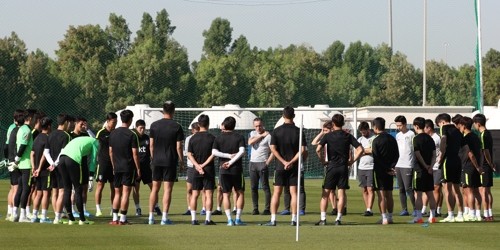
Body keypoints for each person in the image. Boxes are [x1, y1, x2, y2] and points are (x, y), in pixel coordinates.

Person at [262, 106, 307, 226]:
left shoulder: (276, 131)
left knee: (277, 192)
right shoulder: (299, 131)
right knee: (294, 193)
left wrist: (283, 162)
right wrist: (291, 162)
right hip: (294, 166)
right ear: (294, 116)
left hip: (280, 167)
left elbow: (273, 149)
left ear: (283, 116)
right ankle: (294, 219)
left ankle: (273, 220)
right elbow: (302, 150)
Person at [315, 114, 363, 225]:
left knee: (325, 193)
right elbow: (360, 149)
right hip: (343, 167)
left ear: (333, 123)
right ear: (343, 123)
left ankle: (323, 219)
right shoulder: (348, 135)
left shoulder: (328, 136)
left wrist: (323, 161)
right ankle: (338, 219)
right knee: (341, 193)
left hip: (332, 166)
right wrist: (352, 161)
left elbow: (318, 149)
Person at [148, 101, 184, 225]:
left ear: (163, 110)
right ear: (173, 111)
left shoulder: (154, 125)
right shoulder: (177, 126)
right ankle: (164, 217)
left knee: (154, 189)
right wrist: (181, 161)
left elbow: (151, 145)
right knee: (167, 189)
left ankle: (151, 217)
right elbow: (179, 147)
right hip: (170, 160)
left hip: (157, 161)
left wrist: (153, 158)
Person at [109, 110, 141, 225]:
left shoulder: (113, 133)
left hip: (117, 167)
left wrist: (113, 165)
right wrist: (138, 169)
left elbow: (111, 152)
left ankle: (114, 219)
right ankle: (122, 219)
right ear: (130, 120)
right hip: (128, 167)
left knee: (117, 193)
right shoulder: (132, 134)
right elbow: (135, 154)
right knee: (126, 193)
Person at [212, 116, 246, 226]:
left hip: (223, 169)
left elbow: (214, 152)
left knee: (226, 194)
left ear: (224, 125)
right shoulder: (239, 137)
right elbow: (242, 151)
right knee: (240, 193)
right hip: (236, 169)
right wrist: (231, 161)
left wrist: (226, 158)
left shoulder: (218, 138)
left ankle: (229, 220)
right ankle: (238, 219)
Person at [58, 136, 98, 225]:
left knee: (67, 189)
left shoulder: (83, 140)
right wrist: (91, 177)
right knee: (78, 189)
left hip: (61, 159)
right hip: (72, 159)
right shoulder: (96, 142)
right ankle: (82, 219)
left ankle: (71, 219)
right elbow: (93, 160)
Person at [187, 114, 217, 225]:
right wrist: (203, 165)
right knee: (209, 194)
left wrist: (197, 165)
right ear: (208, 124)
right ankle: (208, 219)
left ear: (199, 124)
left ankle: (193, 219)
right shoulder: (212, 138)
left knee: (195, 194)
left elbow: (189, 154)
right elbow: (213, 154)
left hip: (196, 169)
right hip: (208, 169)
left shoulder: (192, 138)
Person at [435, 113, 465, 222]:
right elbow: (465, 147)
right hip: (457, 160)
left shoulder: (444, 128)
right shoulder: (458, 130)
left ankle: (451, 215)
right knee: (457, 189)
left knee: (447, 188)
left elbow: (443, 140)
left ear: (442, 122)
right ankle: (460, 214)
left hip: (447, 160)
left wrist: (440, 155)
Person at [44, 113, 71, 224]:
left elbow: (46, 152)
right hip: (61, 167)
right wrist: (55, 164)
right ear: (65, 123)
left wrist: (51, 164)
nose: (70, 125)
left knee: (54, 192)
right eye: (69, 123)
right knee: (62, 191)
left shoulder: (50, 134)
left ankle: (57, 216)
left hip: (52, 168)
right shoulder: (66, 136)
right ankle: (57, 218)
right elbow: (63, 152)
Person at [371, 117, 399, 225]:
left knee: (381, 194)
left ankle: (384, 218)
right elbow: (397, 154)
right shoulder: (392, 139)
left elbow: (376, 157)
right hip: (390, 170)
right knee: (389, 194)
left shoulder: (376, 140)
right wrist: (392, 167)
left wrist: (386, 168)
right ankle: (390, 217)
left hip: (380, 171)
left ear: (376, 127)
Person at [457, 116, 484, 222]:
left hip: (468, 166)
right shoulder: (476, 136)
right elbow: (481, 153)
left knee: (469, 191)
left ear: (463, 126)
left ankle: (471, 214)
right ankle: (477, 214)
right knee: (476, 190)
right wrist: (479, 166)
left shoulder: (466, 138)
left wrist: (477, 166)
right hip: (475, 166)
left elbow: (470, 154)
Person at [411, 117, 438, 224]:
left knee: (418, 193)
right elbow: (434, 155)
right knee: (430, 193)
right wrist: (430, 166)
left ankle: (418, 217)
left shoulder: (416, 138)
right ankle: (432, 216)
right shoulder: (430, 138)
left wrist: (425, 166)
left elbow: (417, 154)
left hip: (419, 170)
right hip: (429, 170)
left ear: (416, 126)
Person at [11, 110, 34, 222]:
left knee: (20, 188)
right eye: (33, 118)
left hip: (21, 164)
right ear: (28, 118)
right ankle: (22, 216)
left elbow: (17, 146)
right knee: (26, 189)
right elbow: (23, 146)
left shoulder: (20, 129)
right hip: (26, 164)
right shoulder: (26, 130)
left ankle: (15, 213)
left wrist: (16, 161)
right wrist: (16, 160)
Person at [473, 113, 495, 221]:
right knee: (488, 191)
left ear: (478, 124)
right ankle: (489, 213)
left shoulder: (483, 135)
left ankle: (486, 214)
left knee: (483, 191)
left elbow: (485, 151)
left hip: (484, 166)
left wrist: (490, 163)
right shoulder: (488, 133)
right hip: (488, 166)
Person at [311, 121, 337, 215]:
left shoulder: (334, 139)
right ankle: (335, 208)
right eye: (324, 130)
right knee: (331, 189)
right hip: (328, 165)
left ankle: (338, 208)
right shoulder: (325, 139)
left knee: (335, 189)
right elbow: (313, 143)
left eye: (326, 130)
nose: (325, 132)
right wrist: (321, 133)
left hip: (333, 164)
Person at [248, 117, 273, 216]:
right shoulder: (252, 133)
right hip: (252, 163)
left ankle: (267, 209)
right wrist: (262, 135)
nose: (258, 128)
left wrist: (267, 162)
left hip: (262, 163)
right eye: (256, 126)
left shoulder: (269, 136)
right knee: (253, 187)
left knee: (265, 186)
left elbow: (273, 151)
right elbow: (250, 142)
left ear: (263, 125)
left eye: (260, 126)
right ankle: (255, 208)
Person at [30, 117, 53, 223]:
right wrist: (39, 168)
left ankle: (34, 216)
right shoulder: (48, 138)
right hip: (44, 170)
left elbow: (32, 154)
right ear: (48, 126)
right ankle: (43, 217)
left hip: (36, 170)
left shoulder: (37, 137)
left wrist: (33, 167)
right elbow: (45, 154)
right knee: (46, 193)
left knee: (38, 193)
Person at [132, 119, 156, 216]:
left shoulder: (147, 138)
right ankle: (138, 208)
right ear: (136, 128)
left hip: (146, 167)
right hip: (136, 167)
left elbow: (151, 150)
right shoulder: (133, 137)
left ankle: (156, 206)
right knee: (136, 188)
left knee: (153, 187)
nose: (142, 130)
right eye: (140, 128)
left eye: (144, 128)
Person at [95, 113, 118, 217]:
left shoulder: (116, 133)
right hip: (103, 163)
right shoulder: (101, 133)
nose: (115, 124)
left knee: (114, 186)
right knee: (100, 185)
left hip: (114, 163)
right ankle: (98, 209)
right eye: (113, 122)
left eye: (116, 122)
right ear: (108, 121)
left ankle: (113, 209)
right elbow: (95, 146)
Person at [394, 115, 416, 216]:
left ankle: (416, 209)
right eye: (397, 125)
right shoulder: (398, 135)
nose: (398, 127)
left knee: (408, 188)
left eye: (400, 125)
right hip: (399, 164)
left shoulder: (411, 134)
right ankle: (404, 209)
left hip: (408, 164)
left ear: (405, 124)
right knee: (401, 188)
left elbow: (414, 149)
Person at [69, 115, 91, 217]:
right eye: (81, 124)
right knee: (74, 188)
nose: (83, 126)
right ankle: (73, 210)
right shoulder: (70, 135)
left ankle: (84, 209)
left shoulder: (85, 135)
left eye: (84, 124)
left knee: (84, 188)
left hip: (84, 164)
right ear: (76, 123)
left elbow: (95, 140)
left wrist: (88, 130)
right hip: (74, 165)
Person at [5, 109, 23, 220]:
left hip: (11, 160)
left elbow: (6, 146)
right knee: (16, 188)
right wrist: (13, 159)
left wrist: (7, 158)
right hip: (15, 161)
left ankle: (9, 212)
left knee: (12, 188)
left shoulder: (11, 127)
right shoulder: (16, 129)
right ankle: (12, 213)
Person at [424, 119, 443, 217]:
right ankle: (427, 209)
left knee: (436, 188)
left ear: (429, 128)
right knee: (429, 188)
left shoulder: (437, 138)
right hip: (429, 167)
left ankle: (435, 210)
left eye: (424, 128)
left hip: (437, 166)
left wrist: (439, 160)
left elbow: (442, 150)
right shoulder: (426, 138)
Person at [357, 121, 375, 216]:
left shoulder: (373, 138)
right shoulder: (359, 139)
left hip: (371, 166)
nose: (363, 134)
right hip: (361, 167)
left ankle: (369, 209)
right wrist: (365, 150)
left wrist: (363, 151)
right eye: (361, 132)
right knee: (364, 189)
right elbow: (357, 152)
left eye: (364, 132)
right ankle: (367, 207)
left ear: (368, 129)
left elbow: (372, 150)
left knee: (370, 189)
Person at [182, 122, 201, 215]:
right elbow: (186, 152)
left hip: (201, 166)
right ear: (193, 130)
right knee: (189, 189)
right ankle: (189, 208)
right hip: (191, 166)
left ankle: (204, 209)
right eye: (196, 130)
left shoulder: (203, 138)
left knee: (204, 190)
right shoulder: (188, 139)